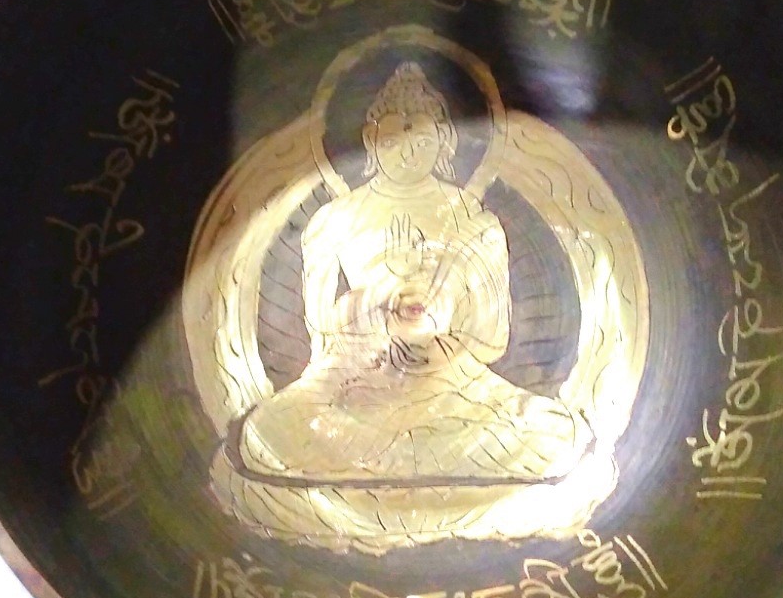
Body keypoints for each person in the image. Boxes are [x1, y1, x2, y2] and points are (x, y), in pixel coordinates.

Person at [232, 60, 591, 485]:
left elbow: (492, 340)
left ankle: (386, 459)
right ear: (370, 138)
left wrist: (440, 340)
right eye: (393, 136)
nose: (407, 149)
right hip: (363, 386)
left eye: (421, 137)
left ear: (444, 142)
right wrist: (373, 316)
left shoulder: (472, 219)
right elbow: (323, 337)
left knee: (554, 437)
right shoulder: (335, 218)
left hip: (454, 389)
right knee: (267, 433)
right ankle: (413, 455)